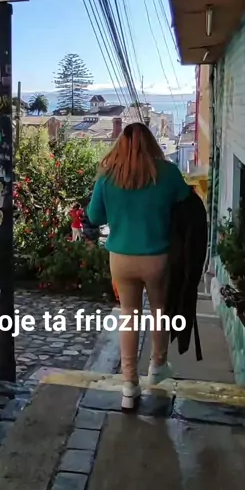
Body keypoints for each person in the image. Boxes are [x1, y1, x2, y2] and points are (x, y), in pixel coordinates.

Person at [87, 122, 190, 410]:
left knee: (129, 317)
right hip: (157, 258)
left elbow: (94, 217)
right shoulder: (167, 172)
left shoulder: (108, 176)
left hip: (121, 258)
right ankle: (157, 365)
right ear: (151, 143)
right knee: (159, 311)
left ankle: (129, 385)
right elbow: (186, 202)